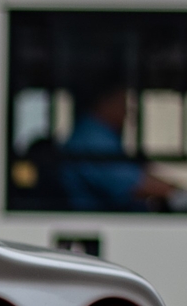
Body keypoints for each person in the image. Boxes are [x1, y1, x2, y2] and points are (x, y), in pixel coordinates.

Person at [58, 81, 173, 211]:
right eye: (122, 104)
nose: (127, 113)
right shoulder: (93, 138)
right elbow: (133, 185)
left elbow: (133, 175)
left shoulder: (101, 134)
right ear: (105, 103)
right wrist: (180, 194)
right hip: (94, 218)